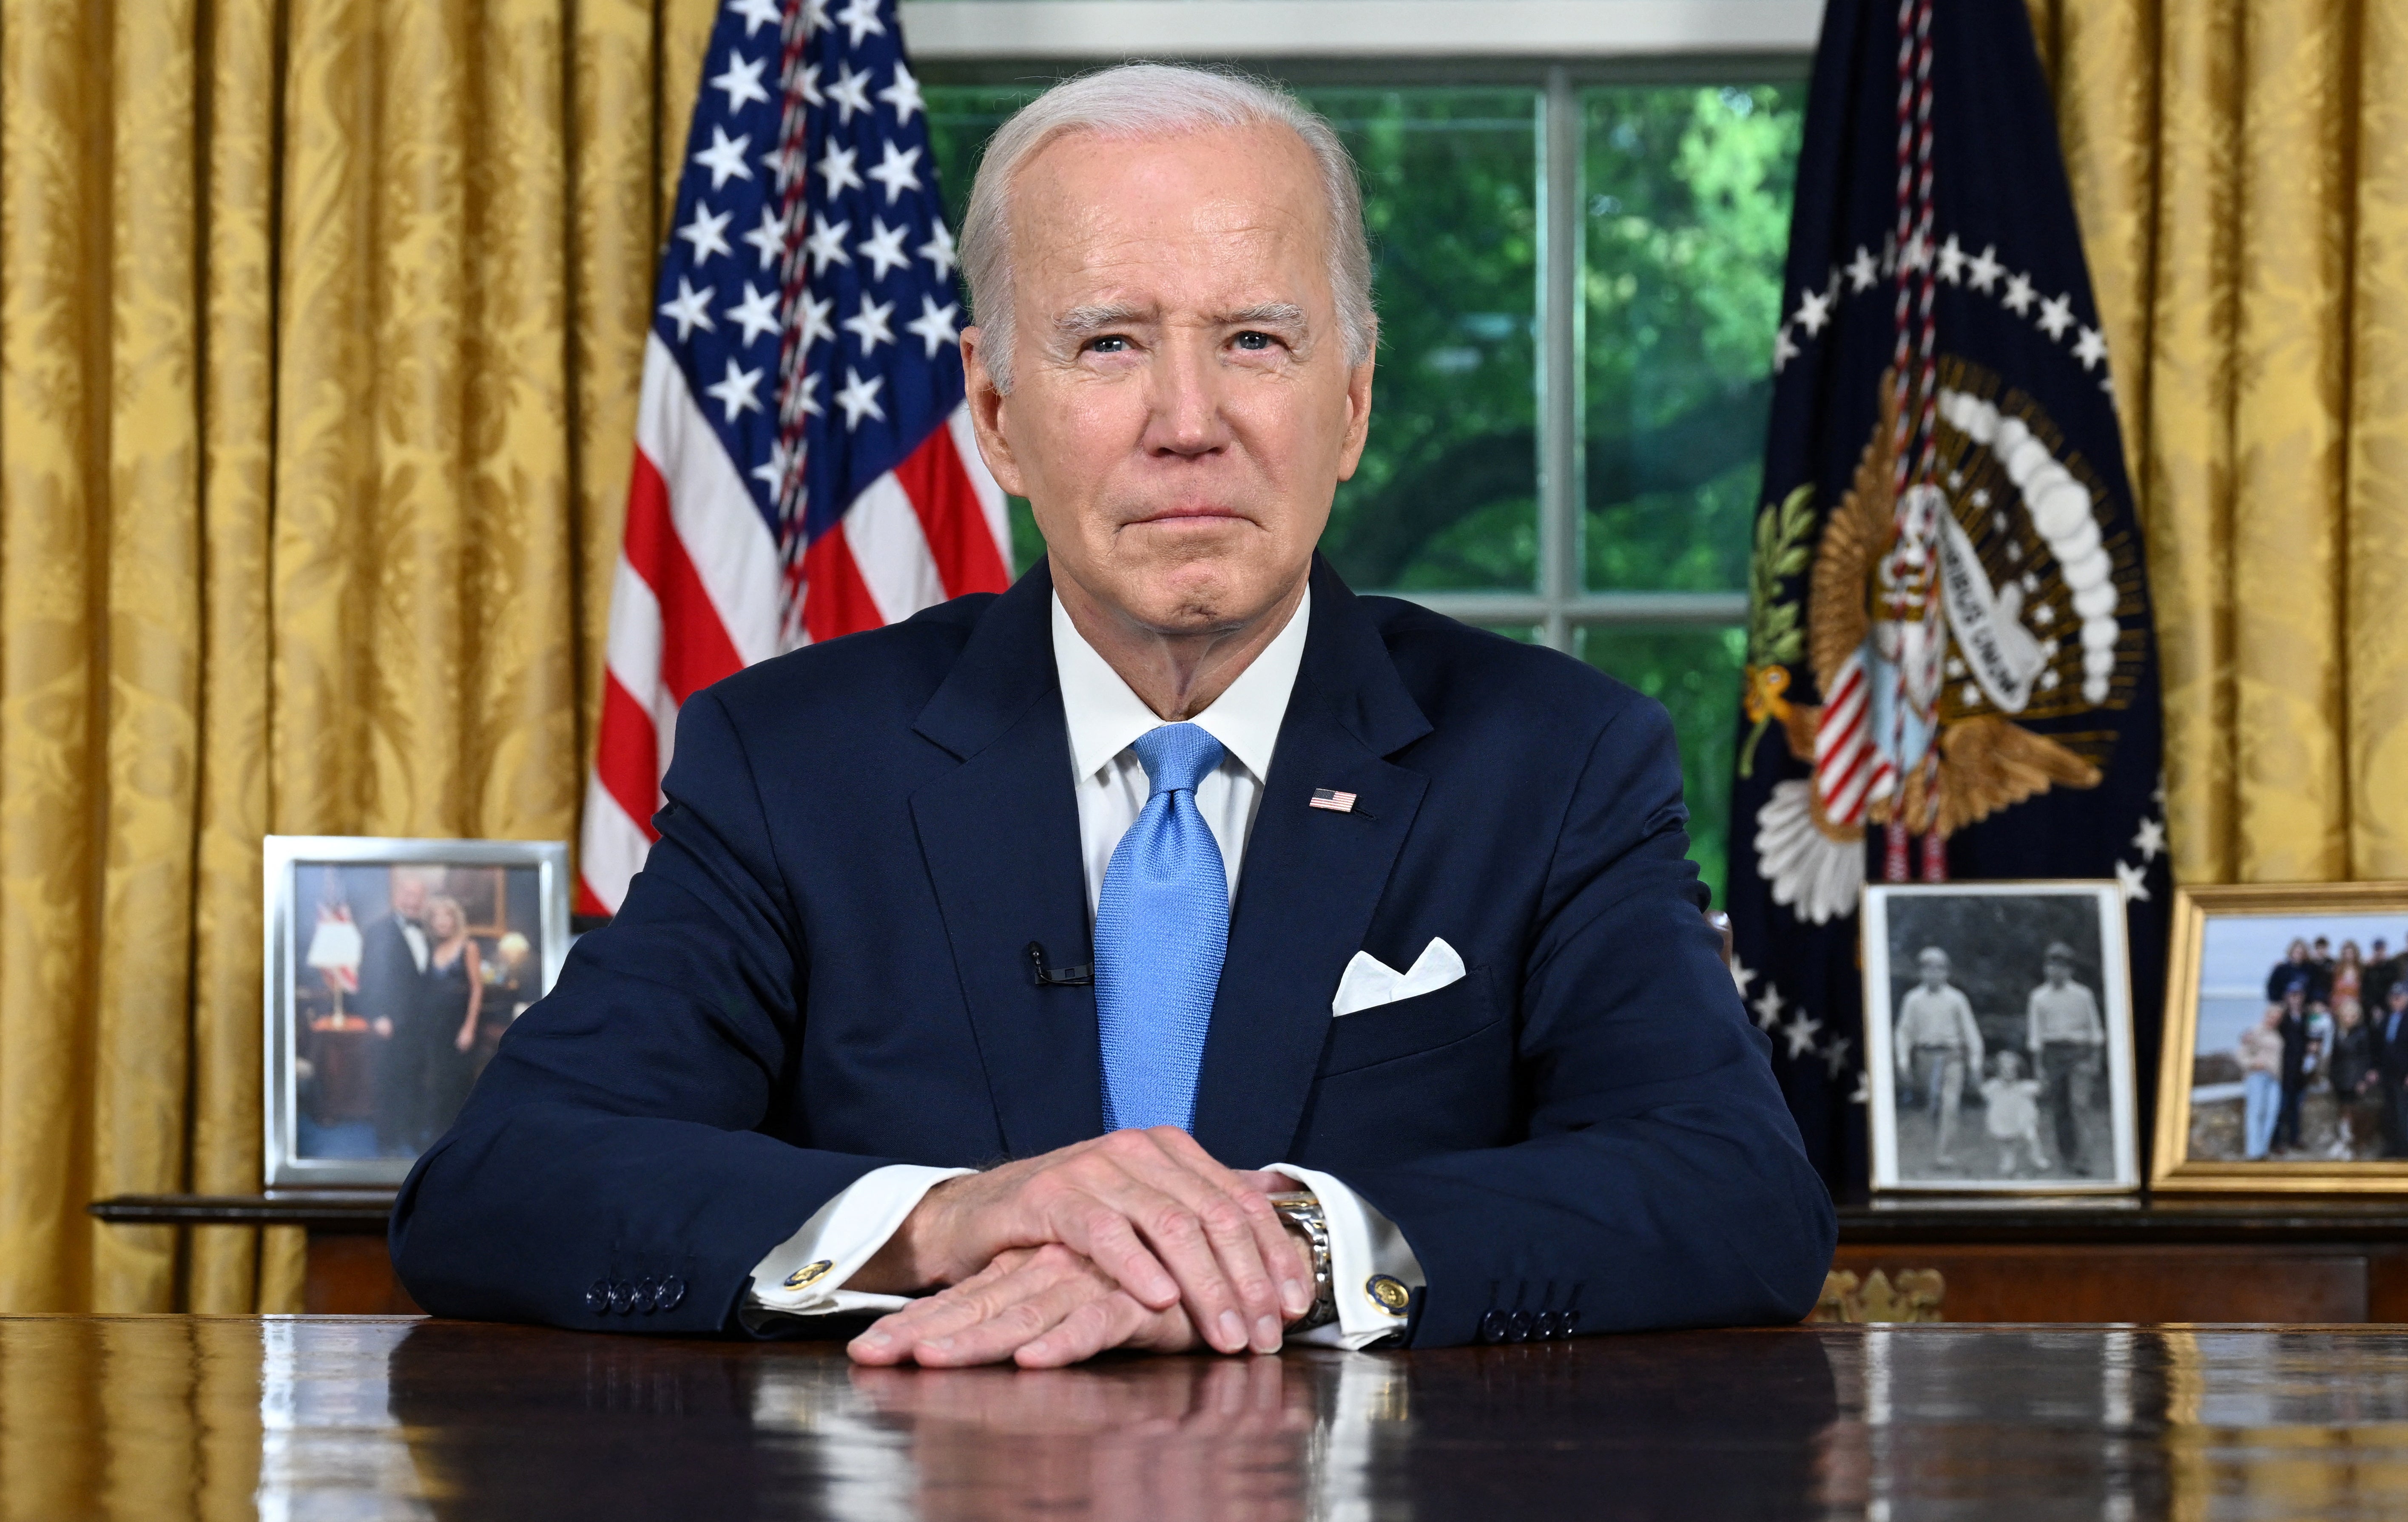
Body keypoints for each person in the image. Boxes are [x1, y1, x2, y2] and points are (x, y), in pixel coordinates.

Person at [387, 66, 1834, 1360]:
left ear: (1354, 401)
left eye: (1257, 340)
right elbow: (508, 1181)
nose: (1187, 418)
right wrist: (954, 1222)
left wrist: (1288, 1242)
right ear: (998, 412)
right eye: (1108, 344)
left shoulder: (1557, 758)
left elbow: (1734, 1192)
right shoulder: (794, 762)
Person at [360, 872, 433, 1157]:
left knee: (415, 1081)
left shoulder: (426, 930)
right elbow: (370, 977)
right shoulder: (378, 930)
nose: (414, 901)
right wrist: (378, 1015)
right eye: (410, 895)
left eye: (420, 896)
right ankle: (387, 1140)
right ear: (399, 897)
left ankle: (413, 1135)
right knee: (388, 1081)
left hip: (420, 1024)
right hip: (390, 1022)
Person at [1894, 948, 1984, 1167]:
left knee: (1950, 1104)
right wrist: (1903, 1061)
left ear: (1946, 972)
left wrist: (1975, 1062)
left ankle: (1944, 1153)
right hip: (1926, 1056)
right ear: (1921, 972)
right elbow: (1904, 1032)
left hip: (1952, 1056)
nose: (1933, 974)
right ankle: (1938, 1145)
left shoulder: (1956, 999)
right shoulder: (1913, 999)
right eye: (1928, 969)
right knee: (1934, 1105)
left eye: (1939, 969)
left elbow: (1970, 1031)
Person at [2025, 942, 2106, 1176]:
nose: (2056, 972)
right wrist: (2039, 1067)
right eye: (2052, 966)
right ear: (2045, 969)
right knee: (2060, 1109)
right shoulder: (2038, 997)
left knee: (2078, 1105)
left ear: (2070, 970)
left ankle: (2084, 1159)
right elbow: (2035, 1036)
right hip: (2053, 1055)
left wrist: (2094, 1060)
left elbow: (2095, 1031)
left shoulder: (2082, 995)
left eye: (2061, 967)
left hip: (2079, 1053)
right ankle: (2067, 1157)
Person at [417, 895, 485, 1151]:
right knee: (437, 1082)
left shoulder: (469, 947)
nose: (443, 922)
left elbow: (478, 989)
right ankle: (439, 1138)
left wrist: (469, 1028)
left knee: (459, 1083)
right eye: (437, 918)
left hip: (459, 1027)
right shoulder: (433, 948)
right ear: (432, 923)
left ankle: (460, 1140)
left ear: (455, 920)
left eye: (447, 917)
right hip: (436, 1028)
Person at [2326, 995, 2382, 1159]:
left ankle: (2354, 1144)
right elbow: (2334, 1057)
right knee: (2342, 1110)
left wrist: (2363, 1080)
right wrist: (2331, 1077)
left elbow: (2365, 1058)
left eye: (2352, 1016)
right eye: (2346, 1015)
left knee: (2354, 1112)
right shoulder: (2337, 1032)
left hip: (2355, 1078)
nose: (2349, 1019)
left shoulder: (2363, 1033)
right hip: (2340, 1078)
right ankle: (2344, 1140)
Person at [1981, 1050, 2047, 1176]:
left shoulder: (2024, 1087)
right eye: (2004, 1071)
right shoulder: (1994, 1087)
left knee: (2031, 1138)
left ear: (2018, 1071)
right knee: (2007, 1143)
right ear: (1998, 1071)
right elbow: (1983, 1092)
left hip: (2023, 1120)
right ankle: (2008, 1164)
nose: (2008, 1074)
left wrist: (2041, 1074)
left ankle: (2038, 1160)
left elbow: (2041, 1089)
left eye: (2012, 1071)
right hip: (2004, 1119)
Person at [2237, 1008, 2284, 1161]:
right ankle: (2253, 1152)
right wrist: (2253, 1063)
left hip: (2274, 1078)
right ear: (2266, 1015)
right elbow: (2241, 1054)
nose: (2274, 1019)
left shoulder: (2277, 1034)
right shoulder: (2255, 1031)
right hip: (2257, 1076)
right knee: (2255, 1113)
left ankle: (2262, 1150)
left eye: (2277, 1017)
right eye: (2271, 1016)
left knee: (2272, 1113)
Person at [2275, 982, 2315, 1154]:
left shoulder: (2307, 1016)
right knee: (2281, 1108)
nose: (2296, 999)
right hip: (2284, 1070)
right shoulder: (2281, 1017)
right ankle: (2276, 1142)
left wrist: (2313, 1047)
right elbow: (2266, 1029)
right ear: (2287, 997)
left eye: (2299, 996)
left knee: (2296, 1108)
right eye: (2293, 995)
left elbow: (2313, 1036)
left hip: (2301, 1070)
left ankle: (2294, 1138)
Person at [2379, 983, 2408, 1159]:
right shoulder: (2387, 1018)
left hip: (2403, 1073)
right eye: (2393, 997)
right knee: (2391, 1111)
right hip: (2388, 1072)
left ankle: (2405, 1150)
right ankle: (2394, 1147)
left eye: (2400, 997)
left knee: (2403, 1112)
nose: (2395, 1001)